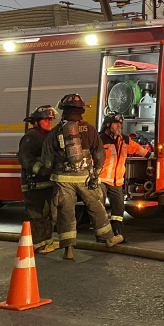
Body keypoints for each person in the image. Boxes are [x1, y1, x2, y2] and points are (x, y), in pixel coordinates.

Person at [42, 93, 123, 259]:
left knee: (66, 212)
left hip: (63, 180)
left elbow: (47, 160)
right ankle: (107, 239)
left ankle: (69, 249)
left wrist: (53, 169)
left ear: (64, 110)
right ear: (81, 111)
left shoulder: (56, 132)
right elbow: (100, 153)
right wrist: (96, 172)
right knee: (96, 207)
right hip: (85, 177)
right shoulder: (89, 129)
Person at [100, 114, 150, 242]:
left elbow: (137, 148)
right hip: (102, 180)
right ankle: (101, 236)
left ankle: (117, 233)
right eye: (116, 123)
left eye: (120, 124)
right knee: (99, 209)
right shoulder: (100, 140)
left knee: (118, 209)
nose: (119, 126)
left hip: (117, 181)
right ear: (108, 125)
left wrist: (150, 155)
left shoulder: (123, 140)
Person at [17, 105, 59, 253]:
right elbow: (24, 158)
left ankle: (46, 241)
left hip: (45, 183)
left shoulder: (45, 137)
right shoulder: (31, 137)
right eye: (45, 120)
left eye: (50, 120)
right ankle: (38, 244)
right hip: (34, 184)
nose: (49, 123)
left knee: (47, 214)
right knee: (37, 215)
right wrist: (41, 169)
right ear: (36, 121)